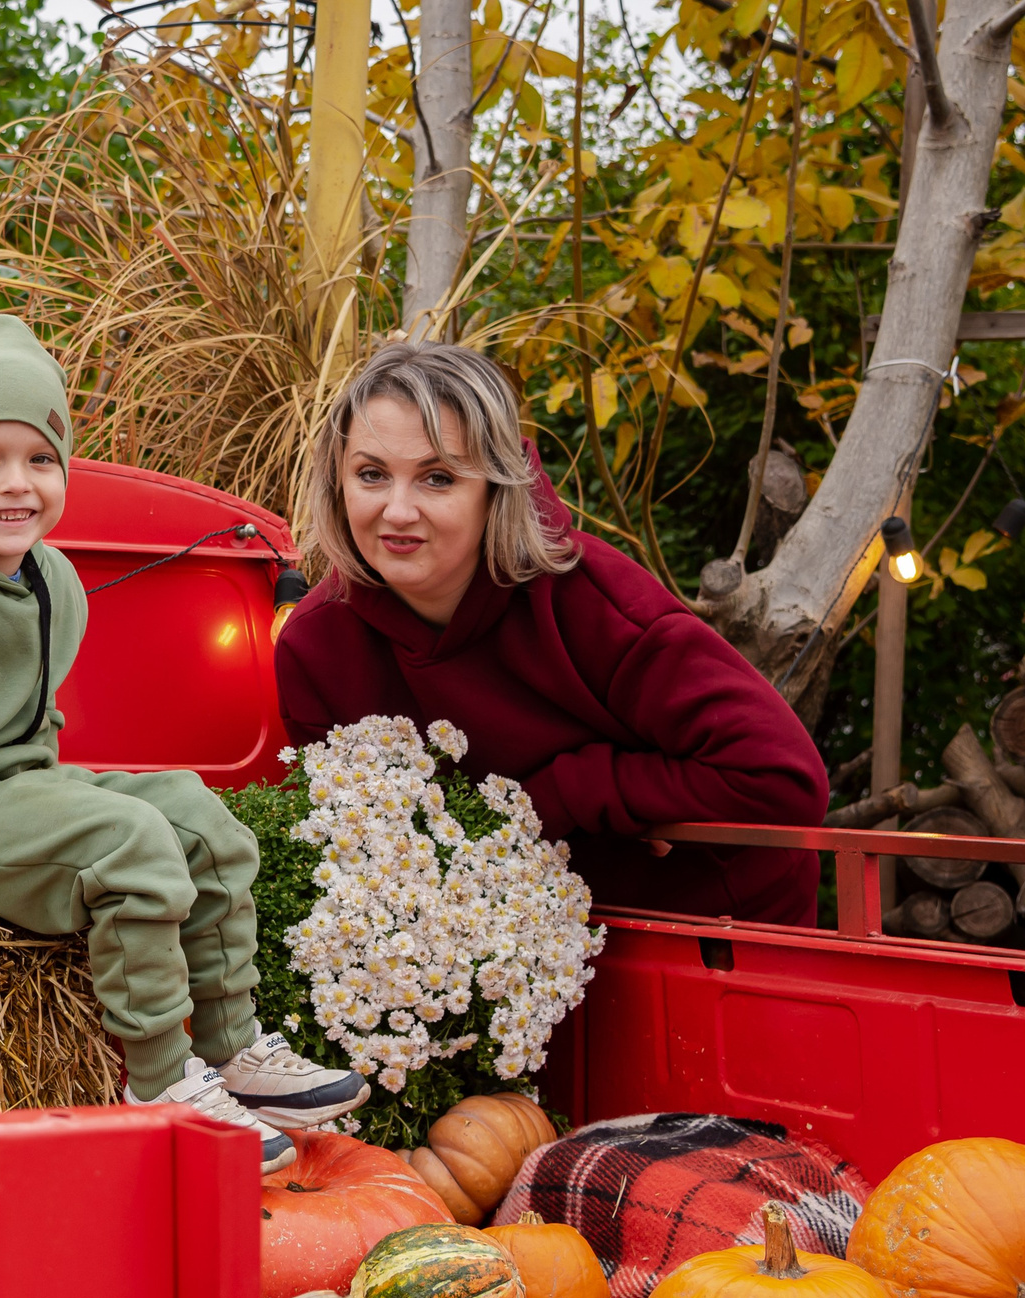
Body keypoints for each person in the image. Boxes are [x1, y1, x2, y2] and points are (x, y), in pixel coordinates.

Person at [0, 314, 369, 1173]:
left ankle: (233, 1047)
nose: (18, 484)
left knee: (202, 818)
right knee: (131, 845)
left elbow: (27, 728)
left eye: (41, 459)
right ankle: (157, 1082)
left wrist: (64, 800)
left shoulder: (56, 583)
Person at [276, 340, 828, 925]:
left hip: (707, 928)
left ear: (495, 491)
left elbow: (784, 780)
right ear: (336, 484)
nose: (398, 510)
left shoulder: (590, 600)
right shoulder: (315, 647)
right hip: (489, 961)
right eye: (371, 475)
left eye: (438, 477)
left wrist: (570, 791)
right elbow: (357, 849)